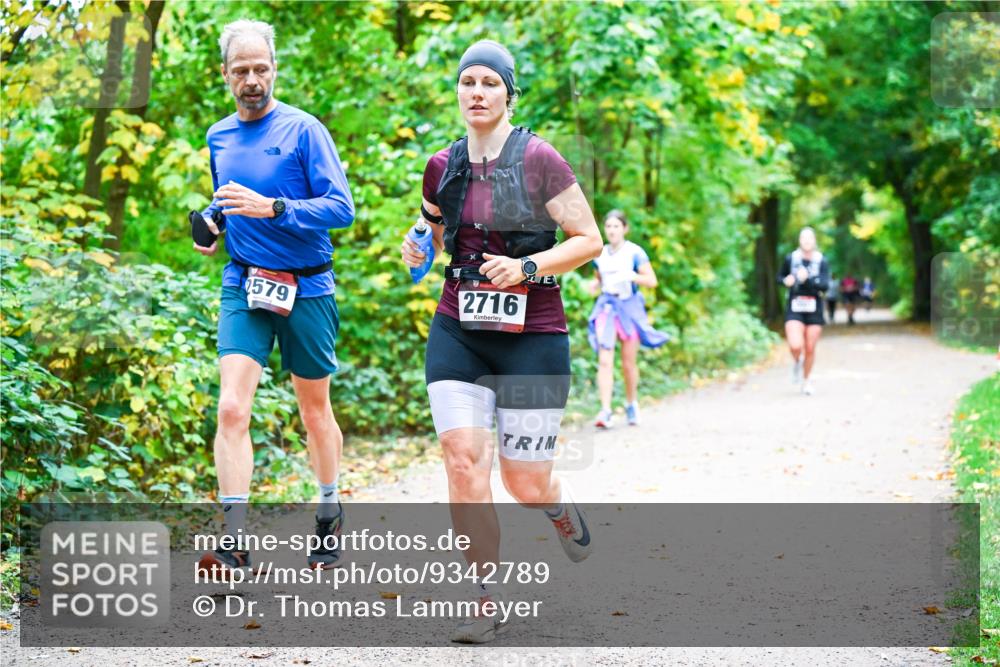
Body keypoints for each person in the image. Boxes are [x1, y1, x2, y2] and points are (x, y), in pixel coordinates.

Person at [400, 40, 603, 643]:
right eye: (468, 82)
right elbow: (434, 232)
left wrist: (528, 267)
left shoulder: (540, 159)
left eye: (490, 83)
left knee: (524, 482)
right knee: (463, 462)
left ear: (509, 95)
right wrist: (417, 247)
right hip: (458, 328)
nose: (478, 92)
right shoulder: (442, 165)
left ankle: (556, 505)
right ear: (458, 92)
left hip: (532, 334)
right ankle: (484, 598)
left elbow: (588, 239)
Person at [192, 20, 355, 575]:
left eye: (261, 69)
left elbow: (341, 209)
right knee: (231, 407)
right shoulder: (218, 136)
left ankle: (329, 508)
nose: (252, 80)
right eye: (241, 71)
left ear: (274, 70)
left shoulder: (305, 130)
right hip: (244, 283)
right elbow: (225, 201)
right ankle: (235, 541)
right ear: (225, 75)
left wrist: (276, 208)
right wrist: (212, 224)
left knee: (314, 411)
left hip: (307, 285)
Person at [587, 210, 669, 427]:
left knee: (628, 363)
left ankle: (632, 404)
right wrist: (594, 285)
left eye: (616, 226)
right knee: (605, 360)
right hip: (607, 307)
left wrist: (632, 276)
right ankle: (605, 411)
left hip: (629, 308)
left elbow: (651, 281)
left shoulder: (635, 252)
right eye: (608, 226)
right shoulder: (599, 254)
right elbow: (599, 278)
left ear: (625, 228)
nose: (612, 230)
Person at [778, 228, 829, 396]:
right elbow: (780, 277)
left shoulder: (821, 260)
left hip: (814, 307)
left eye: (810, 238)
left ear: (814, 240)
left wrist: (808, 279)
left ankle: (806, 381)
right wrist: (786, 280)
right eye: (803, 238)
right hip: (795, 306)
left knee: (810, 347)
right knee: (795, 345)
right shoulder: (791, 258)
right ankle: (797, 361)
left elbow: (825, 285)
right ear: (799, 240)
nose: (807, 241)